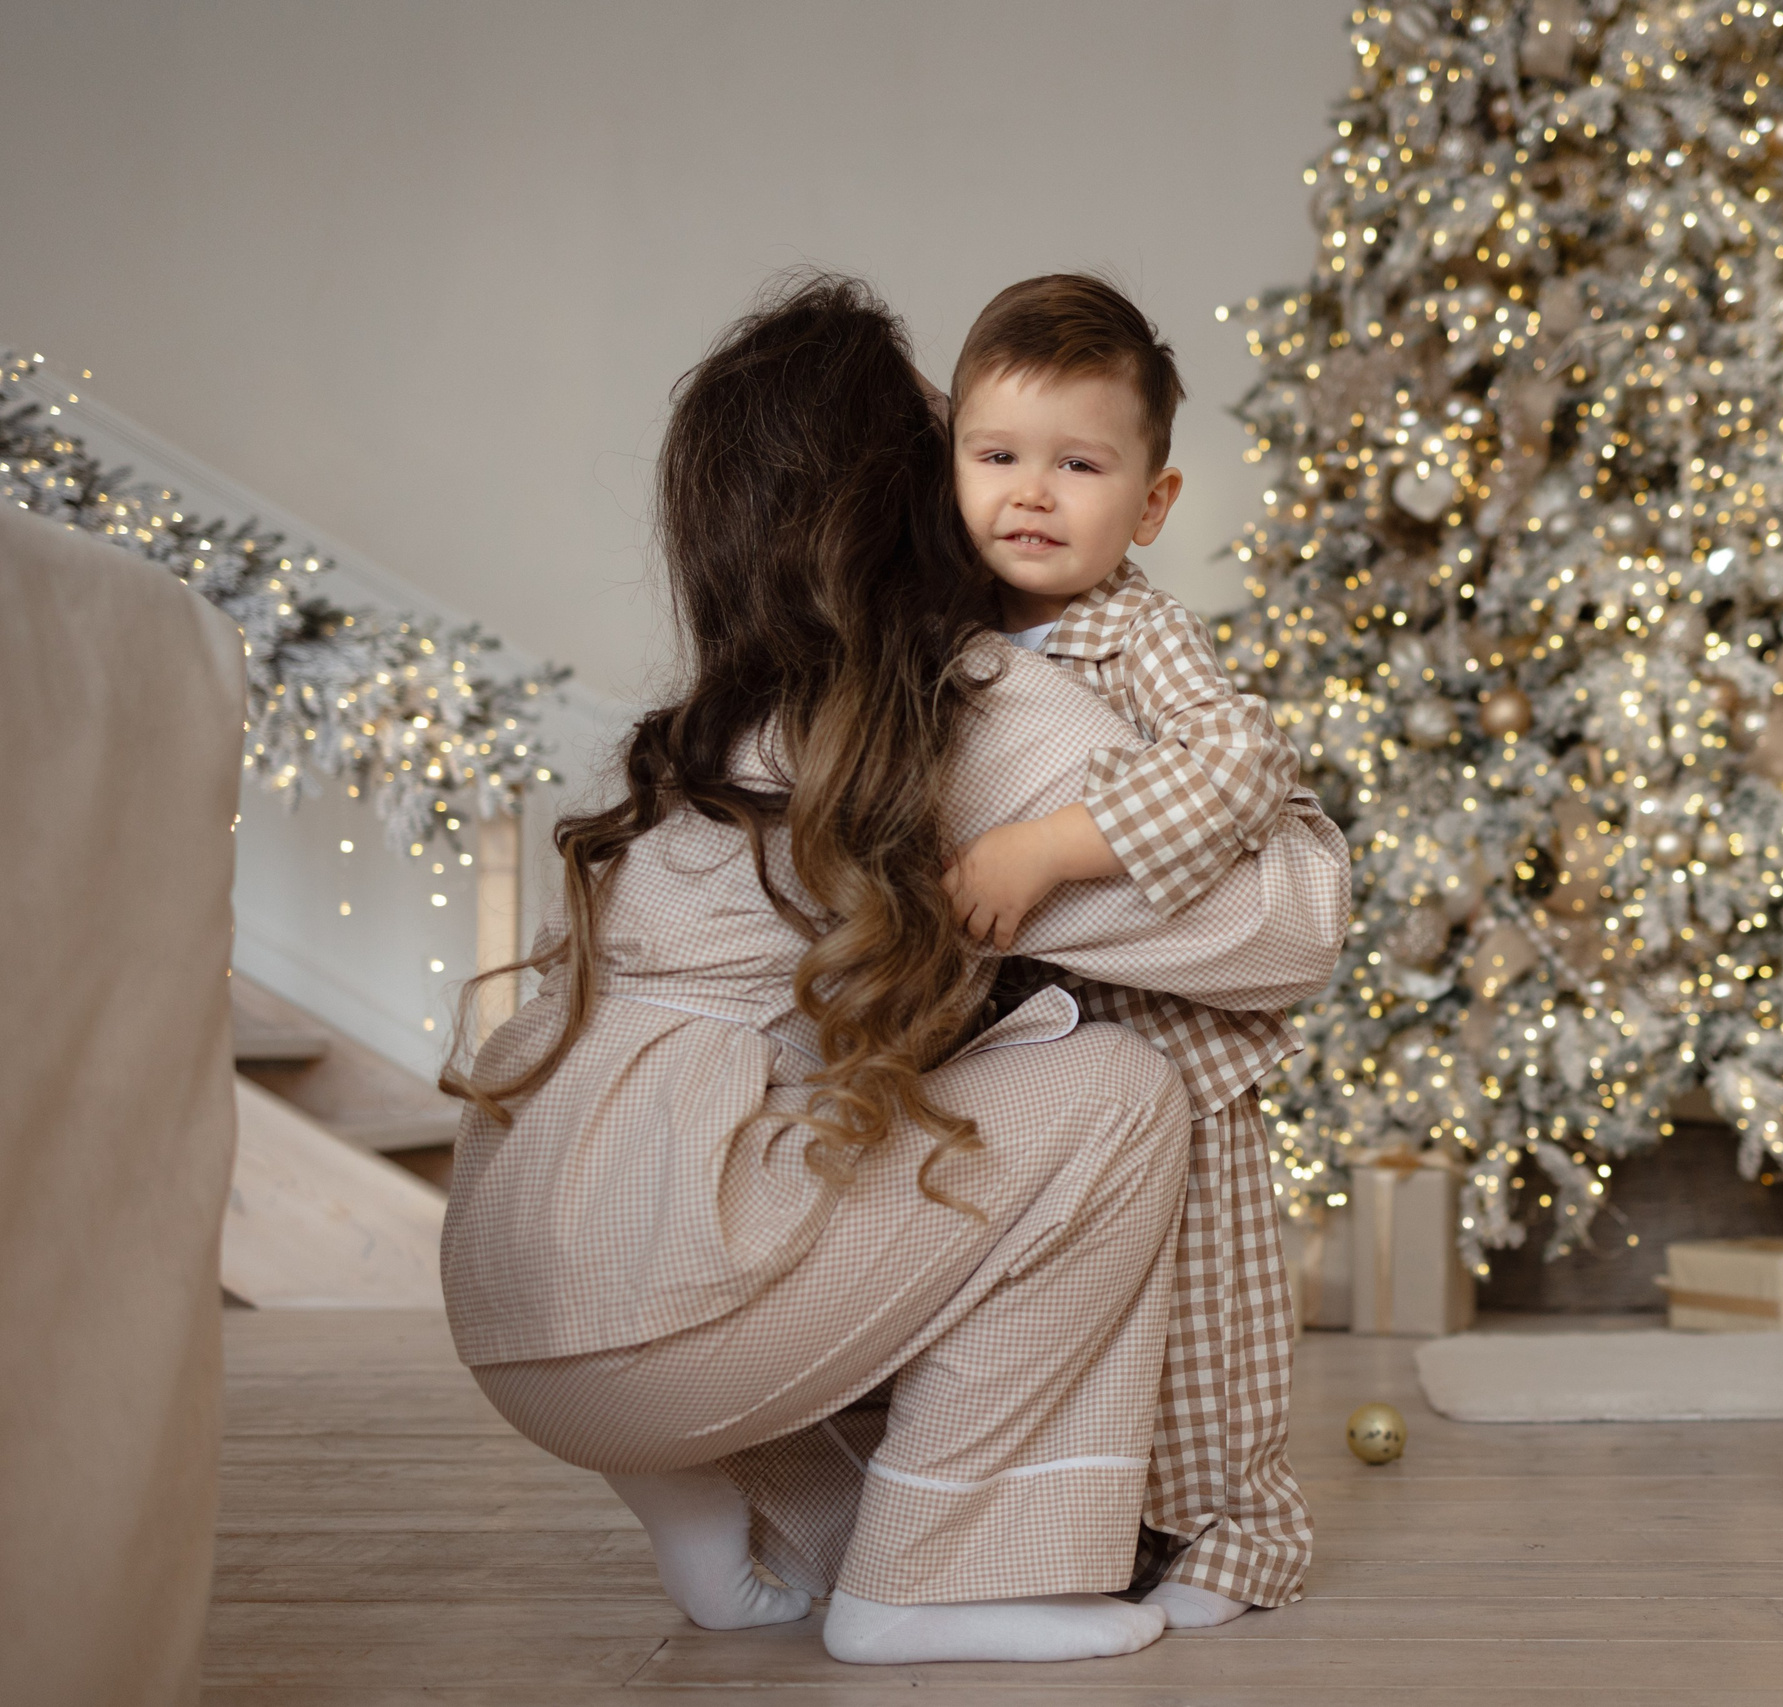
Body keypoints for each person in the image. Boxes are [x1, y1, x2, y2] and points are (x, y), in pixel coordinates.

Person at [436, 273, 1348, 1667]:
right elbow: (1295, 921)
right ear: (901, 493)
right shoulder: (955, 705)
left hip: (512, 1290)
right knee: (1108, 1088)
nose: (1006, 486)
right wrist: (1065, 841)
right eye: (965, 445)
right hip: (655, 1313)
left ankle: (738, 1497)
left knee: (865, 1104)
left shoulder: (720, 712)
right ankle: (938, 1580)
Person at [935, 274, 1320, 1627]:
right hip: (1033, 1054)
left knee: (1206, 1321)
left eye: (1079, 465)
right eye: (998, 457)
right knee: (1068, 1309)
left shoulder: (1132, 631)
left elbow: (1243, 757)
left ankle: (1239, 1530)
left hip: (1172, 1046)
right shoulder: (947, 635)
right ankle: (1092, 1521)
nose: (1031, 494)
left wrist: (1051, 850)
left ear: (1150, 503)